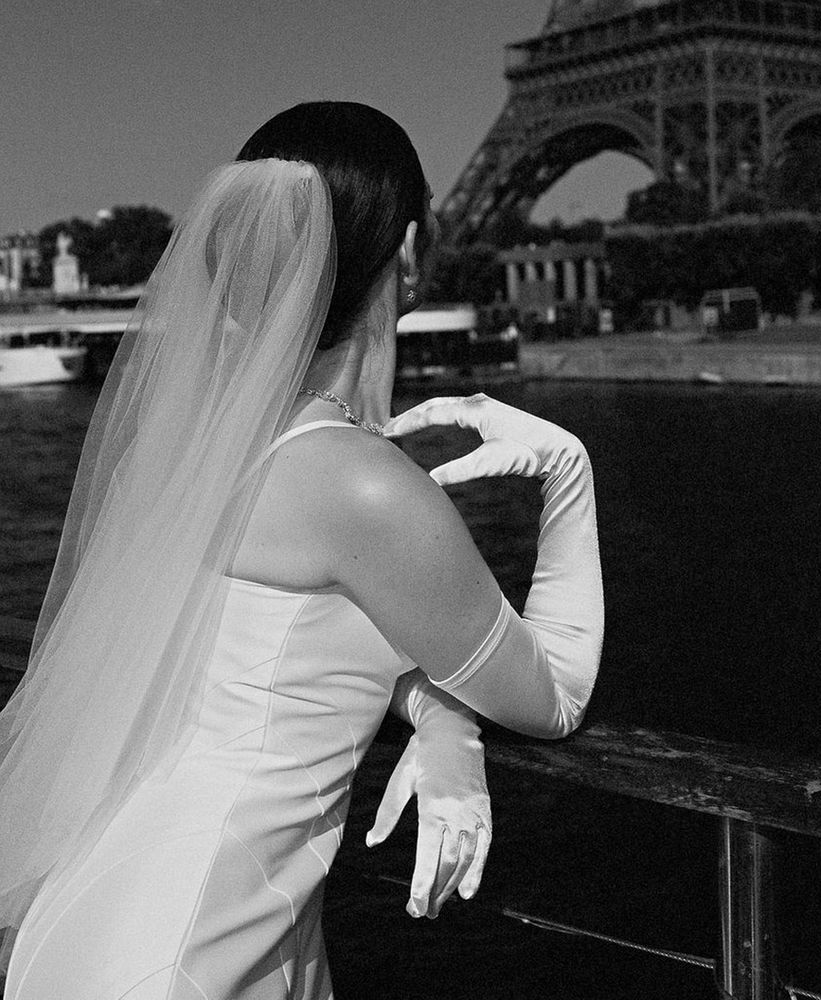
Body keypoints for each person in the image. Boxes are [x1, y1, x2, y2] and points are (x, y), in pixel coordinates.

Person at [0, 102, 602, 999]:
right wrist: (567, 469)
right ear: (405, 251)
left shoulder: (211, 451)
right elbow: (554, 695)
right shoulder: (363, 484)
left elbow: (291, 651)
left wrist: (443, 717)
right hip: (201, 945)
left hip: (115, 912)